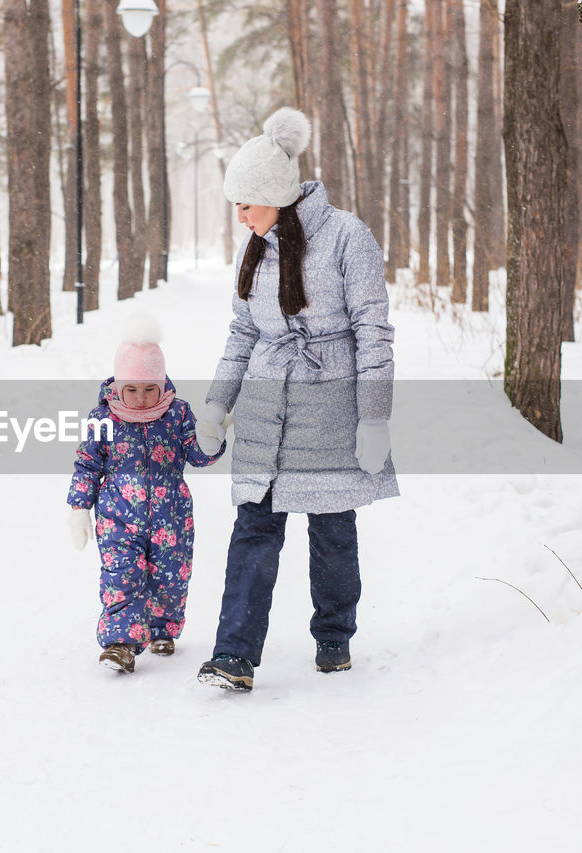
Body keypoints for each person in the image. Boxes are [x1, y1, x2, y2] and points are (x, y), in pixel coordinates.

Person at [192, 107, 398, 692]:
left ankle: (334, 636)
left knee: (333, 525)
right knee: (254, 525)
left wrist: (373, 416)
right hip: (265, 402)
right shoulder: (254, 246)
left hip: (329, 401)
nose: (239, 216)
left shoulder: (347, 238)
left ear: (277, 197)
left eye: (246, 204)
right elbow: (243, 332)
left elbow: (373, 330)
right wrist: (216, 405)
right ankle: (234, 653)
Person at [67, 315, 226, 674]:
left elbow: (197, 456)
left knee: (170, 577)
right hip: (118, 519)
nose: (141, 398)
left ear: (162, 384)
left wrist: (211, 438)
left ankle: (161, 627)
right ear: (119, 386)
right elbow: (87, 465)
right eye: (132, 389)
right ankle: (121, 643)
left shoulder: (177, 413)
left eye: (149, 389)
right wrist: (79, 508)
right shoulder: (104, 418)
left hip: (171, 518)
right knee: (121, 578)